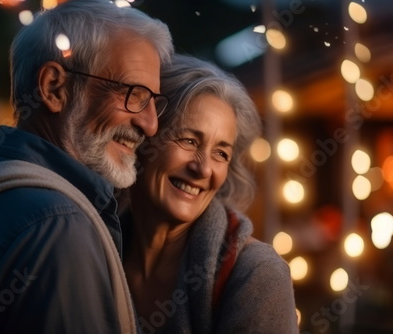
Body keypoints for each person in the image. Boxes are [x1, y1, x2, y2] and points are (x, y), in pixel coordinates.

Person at [0, 1, 173, 333]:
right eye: (134, 94)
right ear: (54, 88)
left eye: (154, 103)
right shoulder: (57, 222)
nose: (150, 125)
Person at [121, 54, 299, 333]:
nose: (203, 169)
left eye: (221, 153)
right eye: (189, 140)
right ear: (144, 136)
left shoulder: (258, 273)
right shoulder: (94, 246)